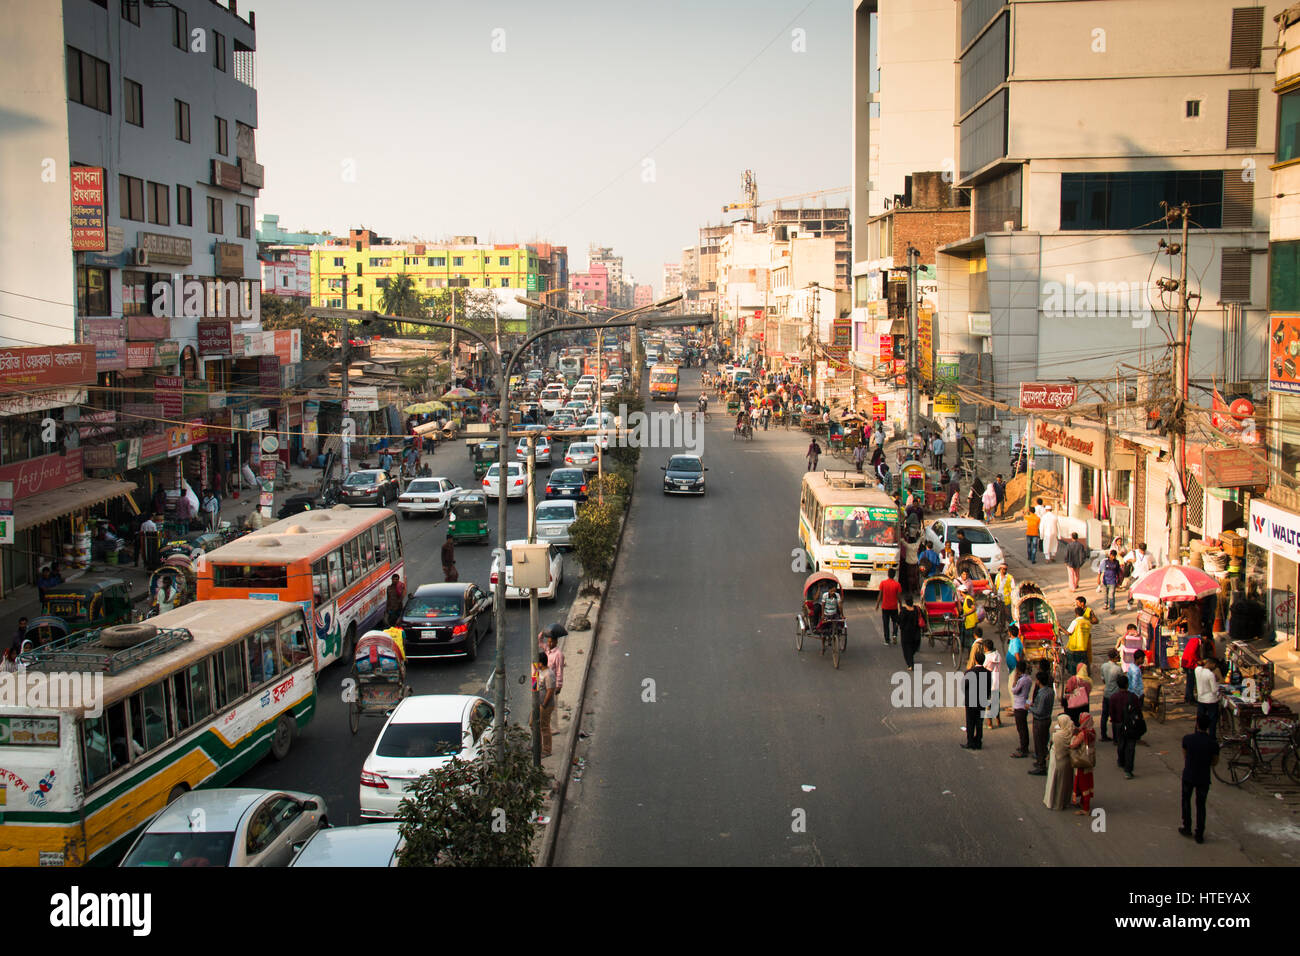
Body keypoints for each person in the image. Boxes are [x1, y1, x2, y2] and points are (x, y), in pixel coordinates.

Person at [1180, 716, 1220, 844]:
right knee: (1201, 805)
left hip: (1189, 775)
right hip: (1203, 777)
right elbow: (1215, 762)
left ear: (1197, 724)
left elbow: (1185, 755)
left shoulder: (1187, 739)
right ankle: (1199, 833)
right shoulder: (1213, 743)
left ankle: (1187, 827)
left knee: (1186, 801)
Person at [1109, 674, 1143, 778]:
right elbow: (1138, 711)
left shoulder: (1114, 697)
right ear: (1127, 684)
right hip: (1131, 725)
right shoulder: (1133, 697)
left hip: (1118, 724)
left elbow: (1112, 712)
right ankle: (1128, 770)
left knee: (1121, 743)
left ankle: (1121, 760)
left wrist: (1114, 721)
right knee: (1130, 746)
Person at [961, 648, 991, 750]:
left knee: (970, 722)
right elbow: (988, 687)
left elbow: (964, 686)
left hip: (971, 700)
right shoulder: (988, 673)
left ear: (975, 660)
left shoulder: (970, 672)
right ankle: (978, 742)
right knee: (979, 722)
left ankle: (970, 742)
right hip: (982, 701)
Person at [1045, 713, 1075, 810]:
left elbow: (1049, 746)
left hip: (1056, 762)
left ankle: (1053, 803)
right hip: (1067, 762)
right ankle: (1064, 802)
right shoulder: (1071, 735)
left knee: (1054, 783)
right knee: (1065, 784)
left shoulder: (1056, 736)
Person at [1028, 669, 1056, 775]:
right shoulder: (1050, 691)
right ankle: (1041, 761)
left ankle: (1041, 765)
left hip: (1040, 720)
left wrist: (1029, 708)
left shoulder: (1042, 694)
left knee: (1039, 743)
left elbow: (1039, 711)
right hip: (1047, 718)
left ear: (1039, 681)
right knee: (1043, 742)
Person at [1070, 713, 1097, 815]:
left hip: (1082, 761)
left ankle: (1086, 809)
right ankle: (1083, 803)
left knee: (1083, 784)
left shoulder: (1083, 733)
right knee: (1087, 782)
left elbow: (1073, 745)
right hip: (1089, 760)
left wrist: (1073, 736)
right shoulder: (1092, 731)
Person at [533, 652, 556, 757]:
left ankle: (547, 750)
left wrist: (543, 704)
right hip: (538, 704)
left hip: (545, 705)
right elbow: (534, 686)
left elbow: (550, 691)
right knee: (532, 723)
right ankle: (538, 744)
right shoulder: (539, 672)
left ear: (541, 663)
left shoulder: (549, 674)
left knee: (544, 726)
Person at [1099, 648, 1123, 742]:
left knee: (1104, 716)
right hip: (1115, 695)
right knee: (1115, 717)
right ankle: (1116, 738)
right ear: (1115, 657)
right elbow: (1121, 682)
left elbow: (1103, 679)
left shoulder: (1104, 666)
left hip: (1106, 693)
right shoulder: (1118, 669)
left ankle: (1103, 735)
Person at [1195, 655, 1222, 739]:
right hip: (1211, 700)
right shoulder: (1210, 675)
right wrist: (1217, 684)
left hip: (1201, 699)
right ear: (1212, 664)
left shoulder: (1197, 670)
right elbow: (1214, 690)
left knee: (1200, 719)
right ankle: (1211, 737)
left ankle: (1198, 735)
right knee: (1212, 720)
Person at [1010, 660, 1033, 757]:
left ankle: (1024, 749)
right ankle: (1024, 746)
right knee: (1023, 728)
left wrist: (1015, 680)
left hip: (1019, 705)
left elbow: (1014, 690)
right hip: (1024, 704)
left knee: (1021, 729)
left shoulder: (1022, 680)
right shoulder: (1028, 679)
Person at [898, 592, 925, 671]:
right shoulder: (917, 609)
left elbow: (899, 621)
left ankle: (910, 664)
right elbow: (923, 618)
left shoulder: (903, 611)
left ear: (906, 601)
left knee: (907, 649)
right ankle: (910, 661)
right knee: (912, 648)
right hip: (916, 633)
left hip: (906, 634)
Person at [1064, 606, 1091, 680]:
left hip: (1074, 647)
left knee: (1072, 664)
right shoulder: (1088, 622)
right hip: (1084, 647)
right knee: (1082, 664)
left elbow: (1068, 632)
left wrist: (1060, 627)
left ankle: (1074, 679)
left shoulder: (1075, 622)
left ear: (1076, 614)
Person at [876, 568, 902, 646]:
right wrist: (900, 604)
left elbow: (880, 595)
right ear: (894, 575)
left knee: (886, 624)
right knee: (895, 622)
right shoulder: (897, 584)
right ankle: (894, 634)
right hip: (894, 607)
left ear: (888, 574)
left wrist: (877, 604)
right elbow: (899, 596)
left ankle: (887, 640)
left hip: (885, 607)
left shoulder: (883, 583)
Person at [546, 633, 565, 734]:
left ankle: (554, 728)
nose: (549, 643)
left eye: (551, 641)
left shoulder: (558, 654)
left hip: (553, 684)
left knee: (552, 707)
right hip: (545, 683)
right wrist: (542, 633)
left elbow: (559, 671)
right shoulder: (548, 651)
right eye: (548, 641)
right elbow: (539, 642)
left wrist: (559, 685)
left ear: (556, 642)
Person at [983, 638, 1003, 730]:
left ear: (986, 648)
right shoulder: (998, 655)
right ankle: (998, 720)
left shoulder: (987, 658)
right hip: (996, 682)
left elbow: (984, 668)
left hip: (988, 683)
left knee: (988, 704)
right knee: (996, 703)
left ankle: (989, 723)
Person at [1180, 628, 1202, 704]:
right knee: (1190, 682)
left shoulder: (1193, 640)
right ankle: (1190, 698)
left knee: (1190, 681)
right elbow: (1193, 653)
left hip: (1187, 663)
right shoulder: (1196, 641)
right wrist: (1198, 661)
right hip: (1189, 664)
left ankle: (1188, 697)